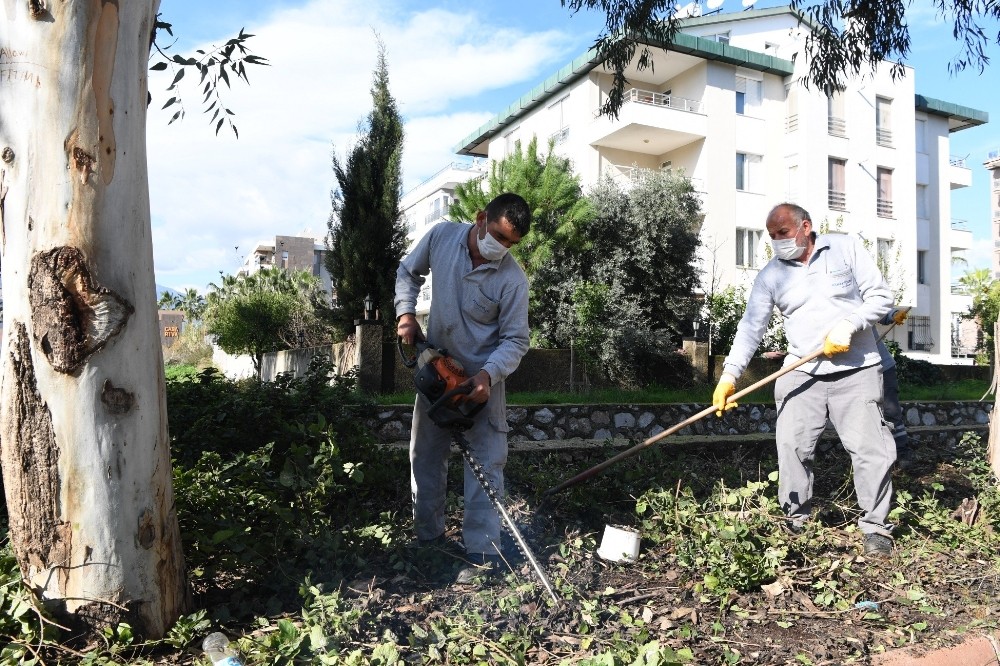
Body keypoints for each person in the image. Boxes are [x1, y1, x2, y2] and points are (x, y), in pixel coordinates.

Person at [713, 203, 897, 556]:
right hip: (801, 369)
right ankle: (795, 523)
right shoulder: (770, 276)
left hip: (857, 369)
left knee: (870, 451)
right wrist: (729, 376)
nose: (777, 242)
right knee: (793, 449)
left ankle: (876, 529)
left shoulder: (845, 248)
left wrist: (849, 324)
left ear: (805, 226)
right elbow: (751, 328)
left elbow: (880, 297)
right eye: (772, 237)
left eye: (782, 233)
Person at [395, 192, 531, 584]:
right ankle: (429, 540)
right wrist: (406, 313)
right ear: (480, 217)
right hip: (437, 373)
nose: (501, 248)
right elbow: (408, 272)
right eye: (498, 236)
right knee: (425, 457)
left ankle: (483, 553)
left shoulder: (512, 279)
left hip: (484, 381)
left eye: (510, 244)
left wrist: (488, 376)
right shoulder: (441, 238)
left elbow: (516, 341)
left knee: (487, 465)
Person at [875, 308, 916, 470]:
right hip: (853, 371)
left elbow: (878, 311)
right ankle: (878, 456)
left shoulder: (853, 295)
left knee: (891, 411)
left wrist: (893, 315)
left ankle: (902, 451)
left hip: (882, 365)